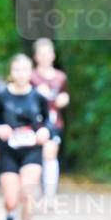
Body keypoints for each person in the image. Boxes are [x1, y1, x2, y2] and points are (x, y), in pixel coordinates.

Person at [0, 54, 54, 220]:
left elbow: (49, 121)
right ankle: (10, 214)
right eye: (17, 70)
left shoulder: (38, 97)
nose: (21, 74)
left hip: (32, 151)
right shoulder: (2, 97)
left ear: (30, 72)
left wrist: (45, 131)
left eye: (25, 70)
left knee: (28, 193)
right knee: (11, 199)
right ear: (11, 73)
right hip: (8, 152)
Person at [29, 38, 69, 203]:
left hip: (53, 121)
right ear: (36, 56)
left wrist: (63, 99)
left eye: (48, 53)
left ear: (53, 55)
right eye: (41, 54)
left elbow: (64, 94)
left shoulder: (60, 77)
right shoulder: (30, 77)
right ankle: (36, 192)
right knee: (35, 158)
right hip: (32, 123)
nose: (45, 57)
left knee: (50, 153)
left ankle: (50, 195)